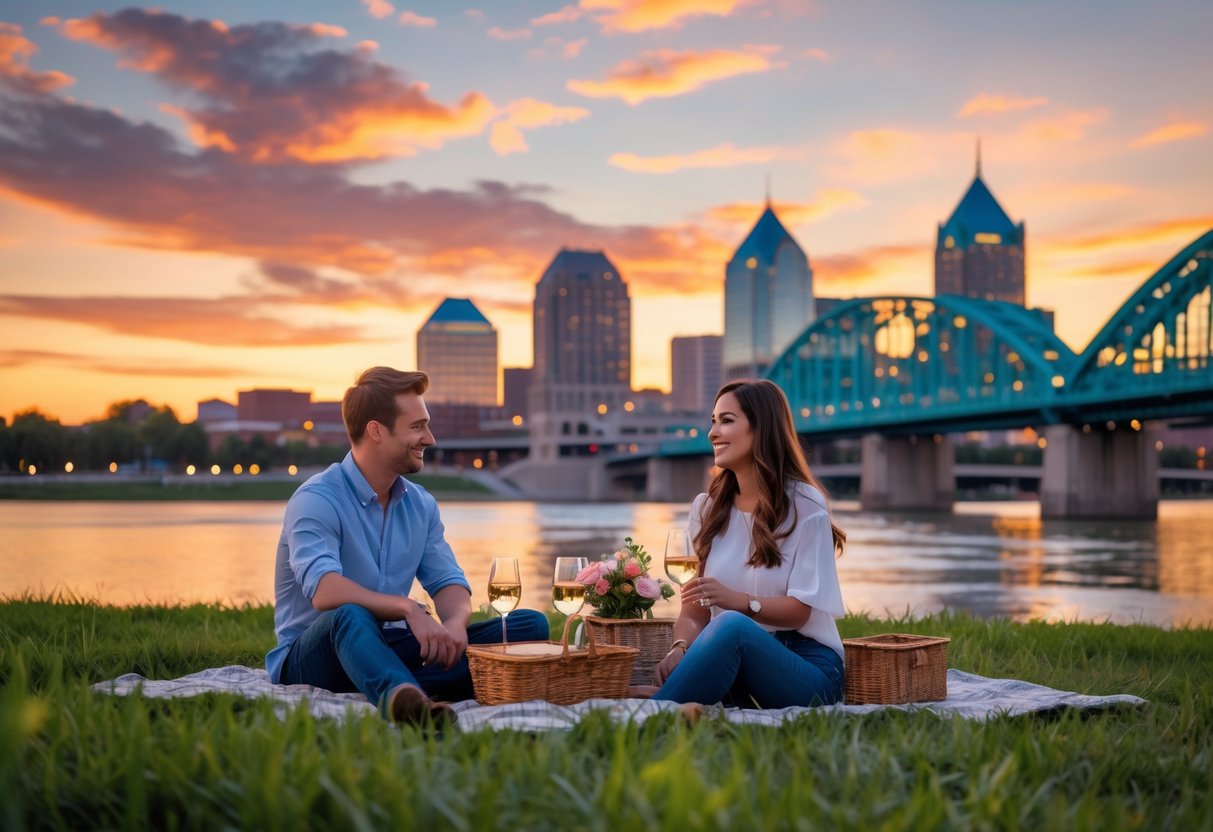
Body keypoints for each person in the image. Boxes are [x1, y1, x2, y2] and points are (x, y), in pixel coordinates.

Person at [265, 366, 548, 724]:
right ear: (376, 431)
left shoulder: (420, 504)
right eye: (417, 427)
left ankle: (403, 685)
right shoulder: (316, 499)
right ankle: (408, 702)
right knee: (350, 615)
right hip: (315, 656)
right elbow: (324, 591)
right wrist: (408, 609)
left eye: (426, 425)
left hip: (392, 647)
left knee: (527, 626)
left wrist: (456, 626)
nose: (429, 438)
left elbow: (448, 582)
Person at [647, 378, 847, 708]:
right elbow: (694, 612)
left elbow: (800, 612)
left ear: (761, 429)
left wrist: (738, 601)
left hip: (809, 668)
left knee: (730, 625)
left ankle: (649, 711)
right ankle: (662, 703)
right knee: (724, 632)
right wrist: (681, 647)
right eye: (713, 421)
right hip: (738, 660)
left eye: (726, 420)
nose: (712, 433)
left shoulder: (805, 505)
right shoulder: (706, 509)